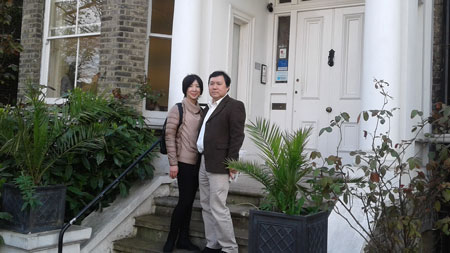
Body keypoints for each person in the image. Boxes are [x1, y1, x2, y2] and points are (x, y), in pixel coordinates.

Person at [196, 71, 246, 253]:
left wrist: (233, 163)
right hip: (204, 160)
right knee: (206, 205)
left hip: (220, 163)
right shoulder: (209, 107)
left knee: (218, 206)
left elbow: (237, 136)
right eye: (211, 83)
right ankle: (212, 244)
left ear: (227, 87)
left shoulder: (234, 106)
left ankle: (229, 248)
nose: (214, 87)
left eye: (218, 83)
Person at [163, 74, 204, 252]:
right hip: (183, 161)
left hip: (198, 162)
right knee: (184, 201)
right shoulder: (178, 109)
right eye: (191, 86)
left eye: (197, 86)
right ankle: (170, 240)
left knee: (188, 203)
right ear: (185, 88)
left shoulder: (202, 111)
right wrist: (173, 163)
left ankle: (184, 240)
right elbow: (169, 136)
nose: (194, 89)